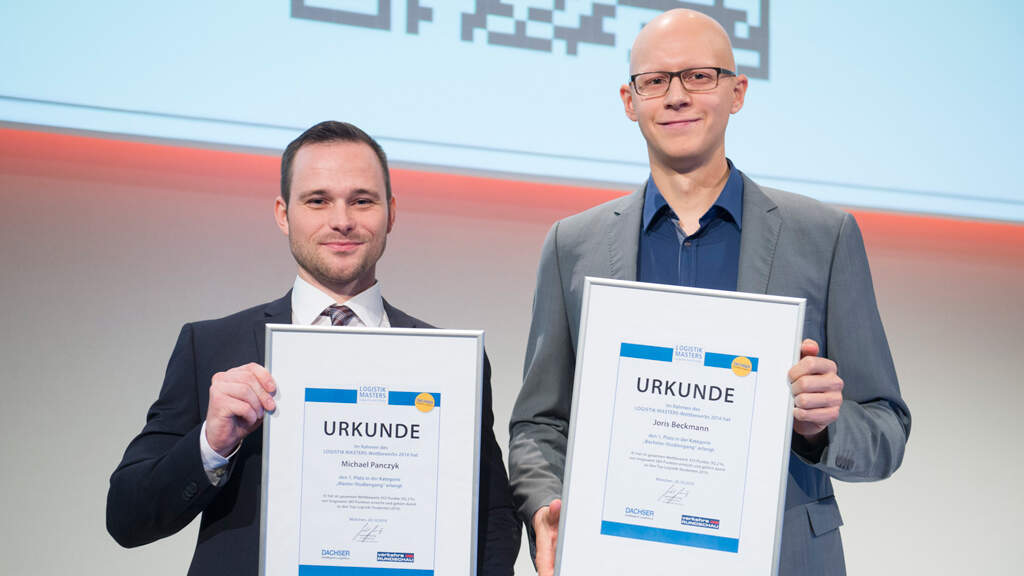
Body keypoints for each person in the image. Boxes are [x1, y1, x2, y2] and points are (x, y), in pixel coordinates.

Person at [508, 9, 910, 576]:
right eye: (655, 81)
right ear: (630, 101)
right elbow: (539, 424)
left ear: (737, 92)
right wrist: (547, 503)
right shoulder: (572, 245)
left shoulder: (824, 237)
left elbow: (887, 428)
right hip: (622, 558)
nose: (676, 96)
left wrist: (822, 427)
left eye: (699, 76)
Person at [107, 121, 520, 575]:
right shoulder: (211, 346)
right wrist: (211, 444)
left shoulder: (450, 360)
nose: (341, 219)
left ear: (392, 213)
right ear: (284, 214)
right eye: (317, 200)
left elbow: (492, 516)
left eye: (362, 201)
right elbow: (127, 517)